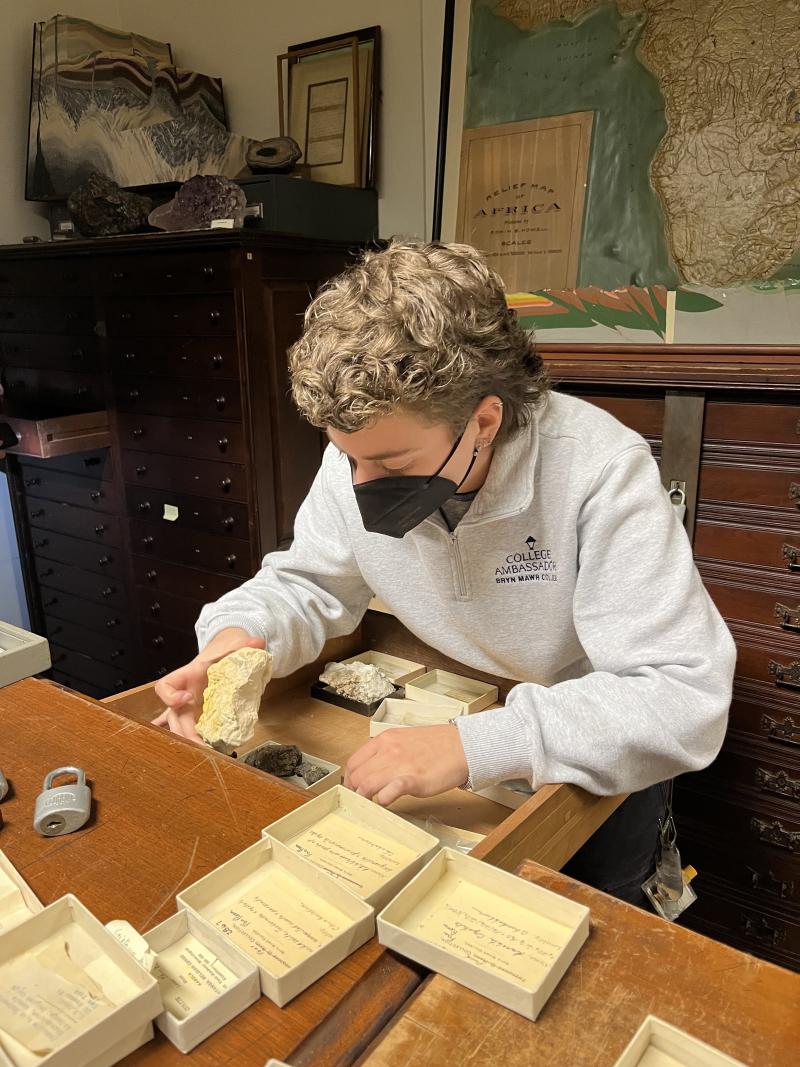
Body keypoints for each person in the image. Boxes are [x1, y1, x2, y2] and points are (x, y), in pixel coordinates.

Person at [153, 239, 736, 905]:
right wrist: (243, 635)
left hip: (598, 741)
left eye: (393, 466)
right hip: (480, 711)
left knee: (600, 909)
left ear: (484, 420)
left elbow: (680, 697)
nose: (360, 485)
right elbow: (310, 583)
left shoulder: (598, 470)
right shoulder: (367, 447)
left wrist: (470, 744)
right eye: (346, 458)